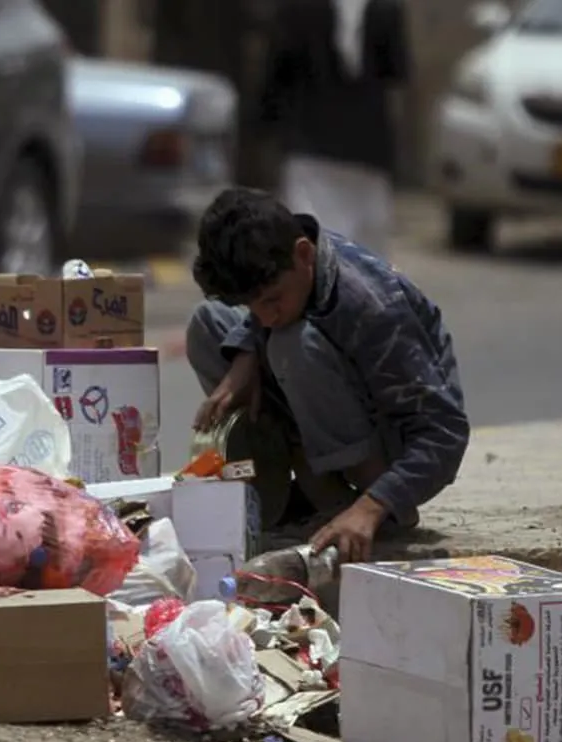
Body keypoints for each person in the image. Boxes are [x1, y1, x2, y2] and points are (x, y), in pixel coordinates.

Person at [185, 187, 468, 563]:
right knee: (208, 324)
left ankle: (350, 502)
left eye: (272, 300)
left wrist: (373, 505)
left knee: (291, 344)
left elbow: (446, 434)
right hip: (324, 410)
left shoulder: (374, 307)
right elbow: (258, 315)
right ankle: (287, 488)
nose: (265, 316)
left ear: (303, 254)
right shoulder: (287, 277)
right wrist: (246, 352)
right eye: (252, 307)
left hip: (390, 450)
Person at [260, 0, 412, 256]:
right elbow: (397, 75)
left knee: (314, 245)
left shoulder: (297, 9)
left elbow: (277, 73)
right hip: (367, 146)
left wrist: (267, 128)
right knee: (365, 252)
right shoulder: (386, 9)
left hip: (310, 143)